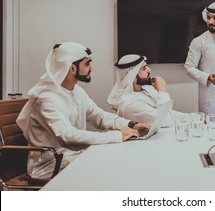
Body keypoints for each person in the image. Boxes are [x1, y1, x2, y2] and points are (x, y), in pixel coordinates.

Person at [16, 42, 148, 181]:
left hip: (71, 157)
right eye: (87, 64)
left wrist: (130, 124)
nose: (92, 68)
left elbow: (99, 116)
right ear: (72, 68)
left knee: (114, 159)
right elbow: (68, 137)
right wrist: (117, 136)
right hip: (49, 166)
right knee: (111, 166)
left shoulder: (77, 91)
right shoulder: (46, 99)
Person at [107, 54, 187, 126]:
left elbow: (170, 113)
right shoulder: (129, 104)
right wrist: (161, 91)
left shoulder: (146, 89)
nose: (149, 70)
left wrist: (190, 117)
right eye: (144, 68)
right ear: (131, 75)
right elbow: (166, 120)